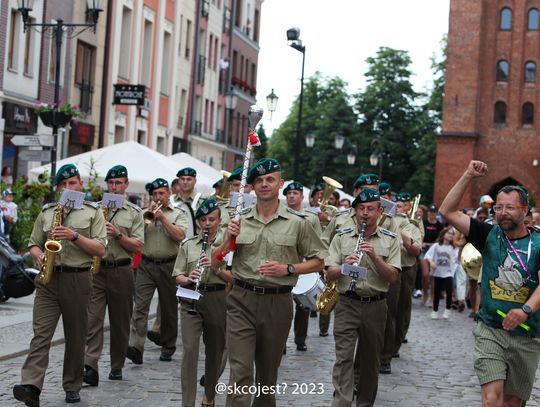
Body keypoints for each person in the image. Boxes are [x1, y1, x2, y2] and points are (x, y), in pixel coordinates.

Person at [212, 158, 326, 407]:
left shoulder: (299, 223)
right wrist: (226, 240)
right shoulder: (238, 220)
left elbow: (319, 261)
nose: (264, 184)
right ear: (252, 187)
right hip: (241, 300)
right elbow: (214, 261)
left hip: (278, 303)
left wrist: (288, 268)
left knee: (266, 378)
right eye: (259, 181)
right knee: (240, 373)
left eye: (270, 180)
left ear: (280, 184)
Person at [440, 160, 540, 407]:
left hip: (526, 335)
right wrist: (467, 176)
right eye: (498, 207)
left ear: (525, 212)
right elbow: (448, 211)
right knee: (491, 400)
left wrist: (526, 310)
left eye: (510, 207)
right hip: (490, 329)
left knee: (512, 403)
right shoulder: (488, 234)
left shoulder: (538, 243)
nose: (502, 212)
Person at [13, 164, 107, 406]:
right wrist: (38, 255)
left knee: (76, 336)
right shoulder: (47, 212)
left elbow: (100, 249)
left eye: (72, 183)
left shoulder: (92, 212)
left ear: (80, 185)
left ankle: (72, 384)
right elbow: (33, 242)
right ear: (57, 188)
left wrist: (74, 235)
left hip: (78, 278)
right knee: (40, 335)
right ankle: (31, 386)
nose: (68, 188)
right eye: (63, 185)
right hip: (49, 280)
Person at [325, 187, 401, 406]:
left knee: (369, 360)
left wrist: (375, 257)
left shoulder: (390, 240)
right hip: (347, 303)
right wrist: (342, 267)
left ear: (379, 212)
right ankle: (342, 401)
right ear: (355, 212)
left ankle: (365, 402)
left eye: (370, 209)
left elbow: (393, 277)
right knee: (344, 358)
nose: (365, 213)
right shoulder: (341, 237)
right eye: (361, 208)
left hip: (375, 306)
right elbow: (329, 273)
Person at [83, 165, 144, 386]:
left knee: (120, 322)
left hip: (121, 269)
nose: (114, 187)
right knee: (93, 320)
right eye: (111, 183)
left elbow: (138, 245)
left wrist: (118, 234)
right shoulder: (94, 210)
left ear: (126, 185)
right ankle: (90, 366)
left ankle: (117, 364)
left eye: (119, 183)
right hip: (97, 270)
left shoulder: (134, 212)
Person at [174, 198, 233, 407]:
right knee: (189, 350)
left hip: (217, 298)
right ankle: (187, 403)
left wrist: (217, 268)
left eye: (211, 219)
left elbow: (235, 278)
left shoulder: (227, 246)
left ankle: (209, 396)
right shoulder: (189, 245)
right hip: (190, 298)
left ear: (219, 220)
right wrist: (188, 278)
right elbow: (177, 275)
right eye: (203, 220)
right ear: (199, 222)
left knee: (215, 351)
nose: (207, 223)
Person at [127, 178, 187, 364]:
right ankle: (136, 346)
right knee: (140, 307)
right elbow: (135, 236)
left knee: (169, 308)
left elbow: (180, 236)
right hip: (146, 264)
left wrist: (163, 219)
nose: (158, 197)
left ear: (169, 194)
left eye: (162, 193)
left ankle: (168, 346)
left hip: (170, 265)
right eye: (155, 194)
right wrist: (148, 219)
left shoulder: (178, 213)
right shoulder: (144, 213)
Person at [283, 181, 323, 352]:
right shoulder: (280, 214)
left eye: (295, 193)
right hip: (283, 264)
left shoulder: (311, 218)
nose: (292, 196)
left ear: (301, 196)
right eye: (289, 193)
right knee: (282, 307)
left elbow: (317, 245)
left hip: (303, 264)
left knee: (303, 306)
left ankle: (300, 339)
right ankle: (281, 341)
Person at [424, 226, 459, 319]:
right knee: (437, 292)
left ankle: (448, 308)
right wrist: (431, 262)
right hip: (438, 272)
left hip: (448, 273)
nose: (450, 235)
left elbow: (456, 260)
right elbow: (428, 255)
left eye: (452, 234)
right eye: (449, 233)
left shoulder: (453, 248)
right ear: (443, 234)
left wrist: (453, 270)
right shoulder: (436, 246)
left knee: (449, 291)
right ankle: (435, 310)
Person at [420, 204, 445, 304]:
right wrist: (423, 243)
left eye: (434, 212)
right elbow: (420, 235)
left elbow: (441, 239)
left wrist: (433, 244)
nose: (432, 214)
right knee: (425, 274)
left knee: (433, 275)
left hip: (435, 251)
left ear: (436, 213)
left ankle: (432, 295)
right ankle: (425, 291)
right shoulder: (424, 223)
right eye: (430, 212)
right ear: (428, 213)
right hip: (424, 250)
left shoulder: (440, 226)